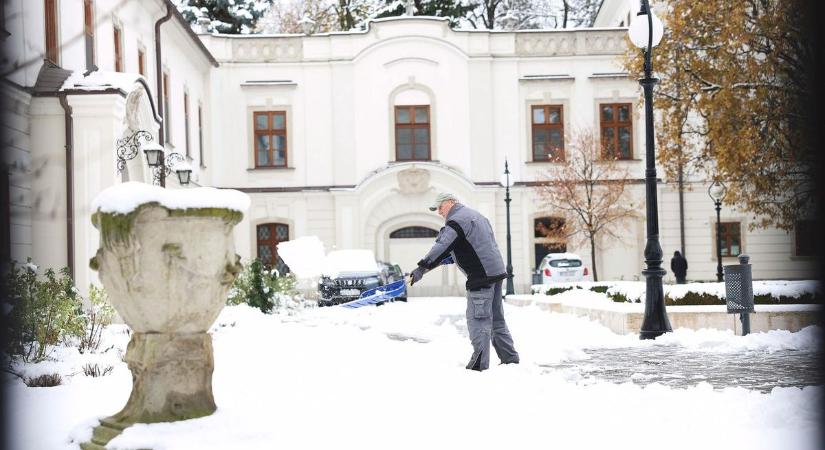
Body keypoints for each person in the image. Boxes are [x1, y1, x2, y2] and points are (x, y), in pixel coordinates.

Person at [409, 192, 520, 371]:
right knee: (496, 319)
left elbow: (441, 246)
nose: (439, 212)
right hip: (496, 273)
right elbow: (474, 244)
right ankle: (510, 359)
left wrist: (422, 267)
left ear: (451, 202)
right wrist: (454, 257)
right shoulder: (476, 216)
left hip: (481, 277)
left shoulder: (456, 221)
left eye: (440, 207)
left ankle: (479, 364)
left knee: (478, 319)